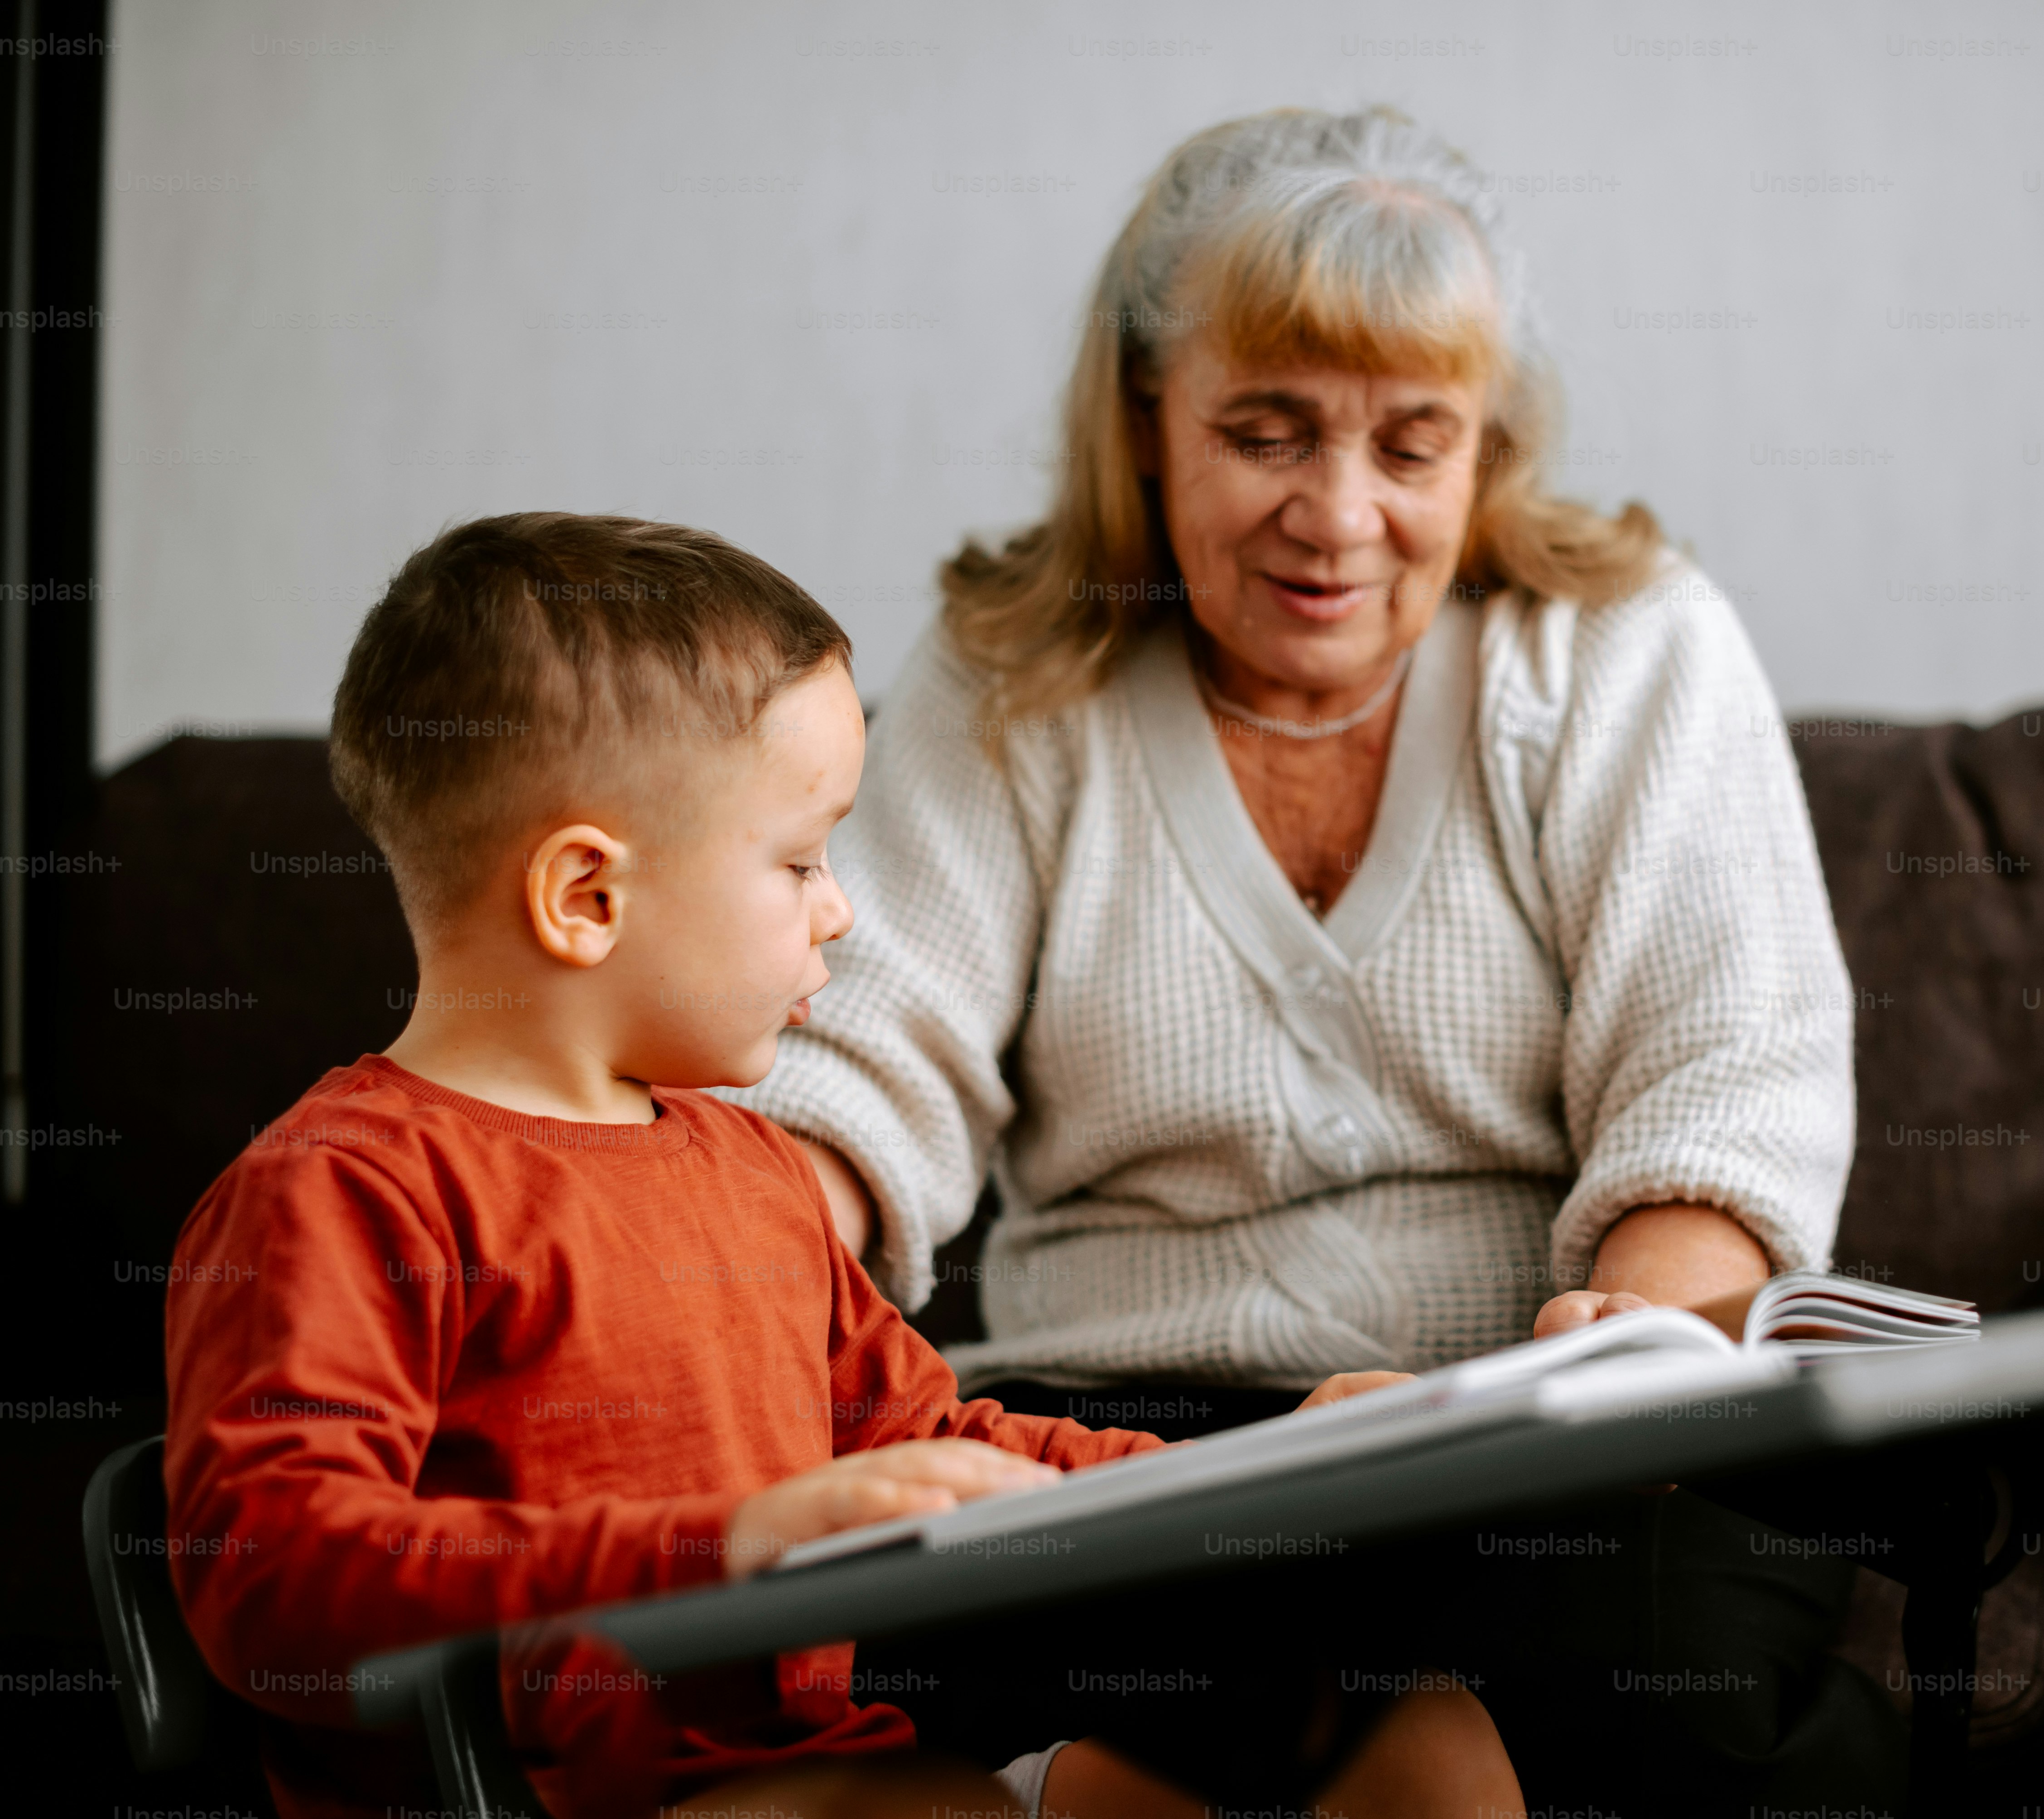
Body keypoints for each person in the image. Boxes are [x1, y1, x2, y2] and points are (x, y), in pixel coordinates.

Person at [733, 106, 1903, 1809]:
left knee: (1668, 1664)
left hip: (1523, 1445)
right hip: (1123, 1435)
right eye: (1268, 432)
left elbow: (1724, 1094)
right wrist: (711, 1313)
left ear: (1491, 442)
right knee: (938, 1610)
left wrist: (1611, 1363)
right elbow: (849, 1073)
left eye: (1413, 445)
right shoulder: (1015, 678)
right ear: (1148, 418)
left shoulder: (1630, 652)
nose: (1338, 517)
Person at [159, 512, 1523, 1819]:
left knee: (1419, 1745)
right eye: (802, 860)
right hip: (601, 1806)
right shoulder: (344, 1192)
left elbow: (934, 1448)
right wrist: (729, 1544)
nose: (842, 911)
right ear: (587, 897)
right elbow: (273, 1576)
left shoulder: (748, 1170)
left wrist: (1267, 1472)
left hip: (860, 1785)